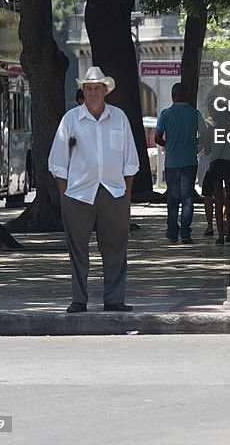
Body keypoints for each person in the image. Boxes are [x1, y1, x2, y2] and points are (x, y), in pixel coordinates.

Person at [48, 66, 139, 314]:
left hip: (114, 192)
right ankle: (79, 299)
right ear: (83, 91)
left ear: (105, 90)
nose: (92, 93)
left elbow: (130, 161)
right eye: (88, 88)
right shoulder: (71, 120)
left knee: (116, 248)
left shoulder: (119, 118)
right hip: (78, 193)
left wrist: (125, 194)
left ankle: (114, 299)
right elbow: (57, 162)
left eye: (97, 88)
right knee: (78, 250)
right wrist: (65, 194)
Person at [154, 82, 209, 244]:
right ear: (186, 96)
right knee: (187, 198)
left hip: (172, 162)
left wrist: (169, 145)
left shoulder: (166, 114)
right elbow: (205, 135)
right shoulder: (194, 114)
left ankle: (172, 231)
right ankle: (185, 233)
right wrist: (193, 144)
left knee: (172, 198)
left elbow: (157, 138)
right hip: (189, 161)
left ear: (173, 95)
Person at [205, 103, 230, 245]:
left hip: (216, 166)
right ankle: (229, 233)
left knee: (218, 202)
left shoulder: (210, 130)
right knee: (229, 201)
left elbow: (207, 151)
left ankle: (220, 236)